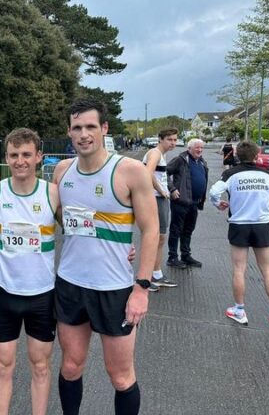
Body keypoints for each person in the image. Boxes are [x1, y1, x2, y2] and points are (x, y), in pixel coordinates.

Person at [52, 99, 158, 415]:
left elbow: (151, 230)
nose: (83, 134)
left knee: (120, 375)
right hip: (70, 284)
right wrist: (106, 236)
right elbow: (61, 219)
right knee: (71, 366)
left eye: (90, 127)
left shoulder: (130, 171)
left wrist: (141, 288)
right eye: (77, 127)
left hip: (114, 288)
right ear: (69, 131)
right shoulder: (61, 171)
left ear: (104, 129)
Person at [0, 128, 60, 415]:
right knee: (3, 365)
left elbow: (78, 231)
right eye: (14, 155)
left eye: (26, 154)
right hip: (5, 292)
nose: (20, 161)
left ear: (39, 157)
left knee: (40, 366)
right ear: (6, 158)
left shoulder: (52, 194)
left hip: (42, 294)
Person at [209, 140, 269, 328]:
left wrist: (218, 204)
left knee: (239, 269)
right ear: (257, 155)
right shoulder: (267, 175)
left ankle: (240, 310)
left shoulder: (230, 174)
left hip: (239, 224)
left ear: (237, 155)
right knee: (267, 269)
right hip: (261, 224)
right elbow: (268, 196)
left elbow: (213, 192)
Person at [142, 128, 178, 291]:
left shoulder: (161, 154)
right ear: (160, 139)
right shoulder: (155, 153)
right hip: (155, 198)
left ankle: (155, 274)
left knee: (159, 238)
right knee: (156, 237)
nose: (173, 143)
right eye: (169, 139)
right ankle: (148, 276)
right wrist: (162, 190)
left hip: (159, 198)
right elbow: (147, 173)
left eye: (175, 140)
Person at [166, 138, 208, 269]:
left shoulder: (201, 162)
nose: (200, 150)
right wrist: (172, 189)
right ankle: (172, 257)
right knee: (176, 230)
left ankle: (185, 255)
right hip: (181, 202)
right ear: (189, 148)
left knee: (188, 230)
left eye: (201, 148)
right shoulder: (180, 160)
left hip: (194, 203)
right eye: (197, 148)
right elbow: (164, 173)